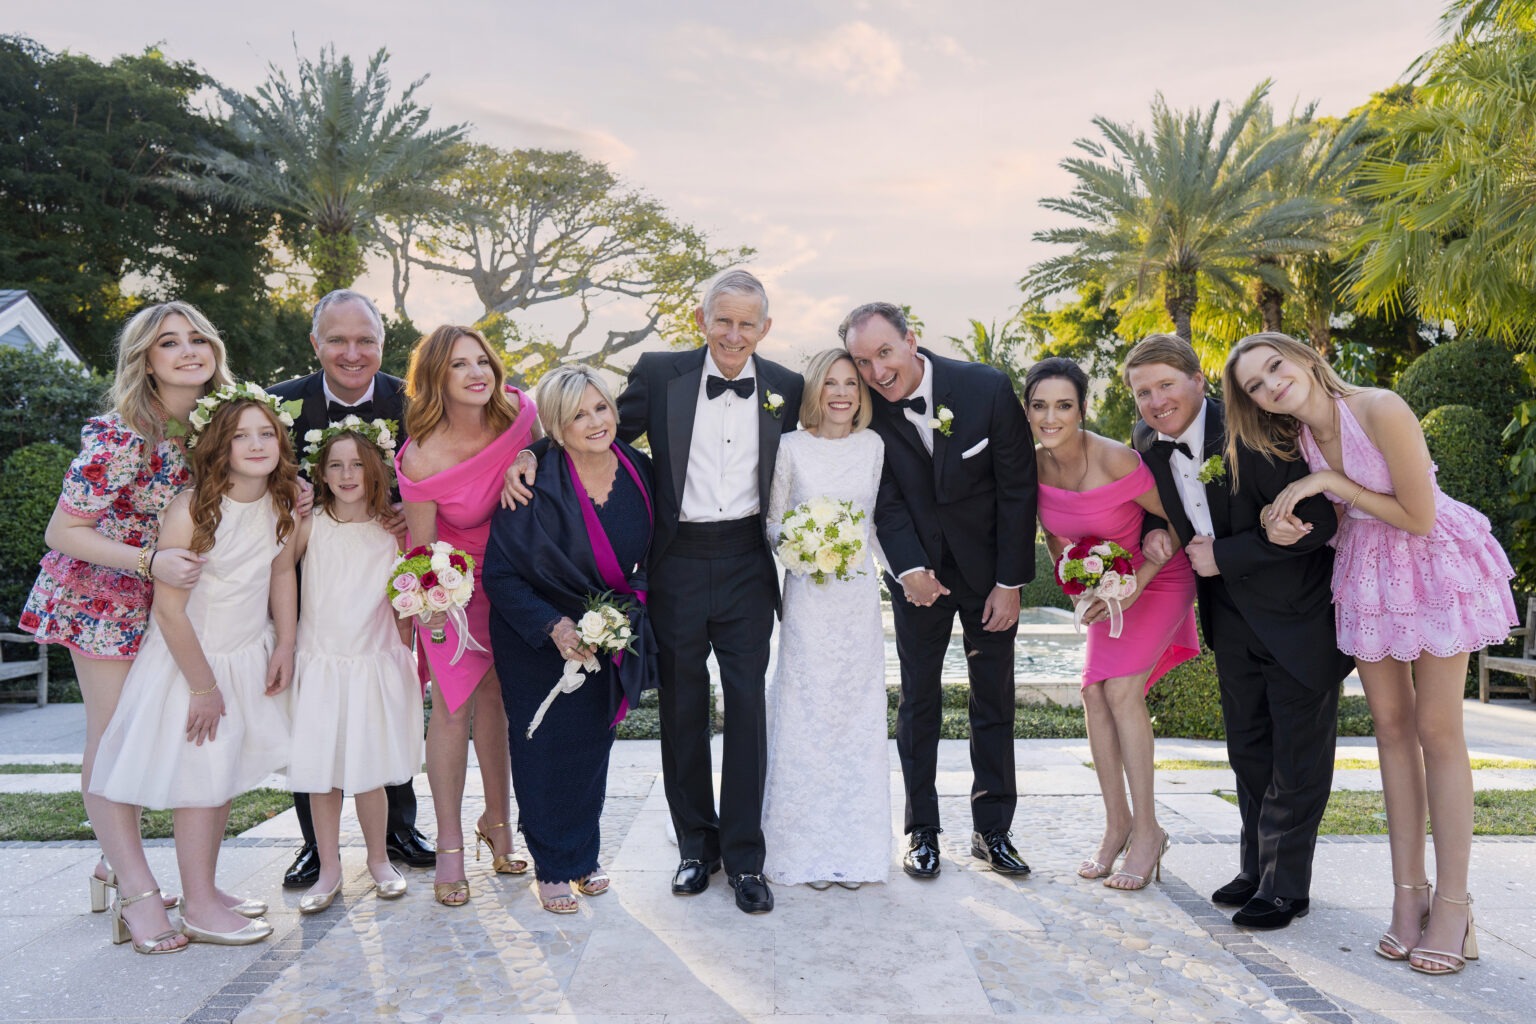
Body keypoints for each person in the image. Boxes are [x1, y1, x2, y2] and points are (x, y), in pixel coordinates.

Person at [504, 269, 803, 914]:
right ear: (702, 319)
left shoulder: (787, 387)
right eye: (722, 319)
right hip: (677, 565)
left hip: (749, 563)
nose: (733, 333)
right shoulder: (661, 373)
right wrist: (527, 452)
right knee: (683, 707)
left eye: (747, 322)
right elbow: (589, 423)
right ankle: (696, 847)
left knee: (748, 706)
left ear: (765, 329)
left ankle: (748, 857)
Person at [1224, 331, 1517, 971]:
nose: (1272, 383)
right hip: (1366, 572)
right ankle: (1407, 898)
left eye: (1275, 365)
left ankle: (1454, 906)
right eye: (1255, 384)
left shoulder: (1379, 407)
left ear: (1302, 356)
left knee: (1436, 727)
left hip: (1431, 564)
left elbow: (1417, 516)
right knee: (1389, 729)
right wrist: (1284, 519)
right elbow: (1323, 520)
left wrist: (1330, 478)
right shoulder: (1289, 441)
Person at [19, 301, 233, 954]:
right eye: (170, 343)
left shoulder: (213, 430)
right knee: (113, 738)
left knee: (150, 733)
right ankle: (137, 893)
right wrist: (147, 559)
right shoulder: (121, 435)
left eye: (198, 337)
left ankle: (113, 862)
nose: (189, 350)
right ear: (147, 361)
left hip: (170, 598)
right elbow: (64, 530)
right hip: (105, 594)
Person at [1126, 333, 1352, 930]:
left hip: (1299, 616)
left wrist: (1226, 556)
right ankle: (1256, 868)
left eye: (1165, 385)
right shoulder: (1147, 442)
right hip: (1228, 619)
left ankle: (1286, 888)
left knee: (1296, 757)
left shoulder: (1253, 423)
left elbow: (1320, 517)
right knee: (1248, 749)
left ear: (1199, 380)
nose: (1155, 401)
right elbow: (1172, 510)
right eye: (1143, 392)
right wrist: (1158, 533)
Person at [90, 385, 301, 946]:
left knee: (221, 779)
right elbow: (169, 610)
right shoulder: (193, 509)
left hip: (244, 653)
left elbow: (281, 573)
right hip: (192, 664)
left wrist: (284, 643)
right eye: (240, 436)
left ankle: (203, 885)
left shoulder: (281, 504)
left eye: (266, 433)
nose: (256, 444)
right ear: (217, 446)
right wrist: (203, 687)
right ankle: (200, 907)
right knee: (200, 785)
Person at [840, 302, 1036, 880]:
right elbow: (885, 499)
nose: (875, 371)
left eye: (884, 353)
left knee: (993, 700)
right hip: (918, 579)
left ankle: (992, 830)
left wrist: (1009, 583)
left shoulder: (986, 389)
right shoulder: (868, 411)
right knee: (918, 701)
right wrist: (910, 571)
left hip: (989, 578)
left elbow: (1017, 489)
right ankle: (921, 830)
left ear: (911, 342)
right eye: (862, 360)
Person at [268, 289, 434, 888]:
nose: (351, 352)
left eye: (365, 340)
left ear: (383, 346)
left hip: (379, 576)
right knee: (318, 718)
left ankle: (398, 831)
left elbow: (440, 471)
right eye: (337, 340)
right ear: (316, 345)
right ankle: (317, 847)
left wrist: (402, 514)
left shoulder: (415, 403)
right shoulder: (280, 408)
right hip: (310, 579)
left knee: (382, 699)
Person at [483, 364, 656, 913]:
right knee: (543, 748)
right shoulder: (532, 480)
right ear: (555, 426)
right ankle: (553, 866)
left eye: (601, 407)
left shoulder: (642, 472)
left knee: (589, 747)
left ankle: (583, 857)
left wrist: (623, 620)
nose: (595, 421)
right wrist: (554, 627)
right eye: (578, 414)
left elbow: (657, 557)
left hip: (608, 631)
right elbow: (500, 574)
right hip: (536, 630)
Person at [1026, 357, 1198, 890]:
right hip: (1108, 588)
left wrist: (1142, 572)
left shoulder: (1117, 460)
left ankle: (1147, 832)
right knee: (1093, 695)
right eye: (1038, 406)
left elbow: (1176, 516)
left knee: (1121, 690)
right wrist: (1077, 581)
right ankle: (1116, 823)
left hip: (1159, 577)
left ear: (1082, 409)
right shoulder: (1031, 465)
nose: (1050, 417)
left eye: (1063, 405)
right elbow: (1056, 539)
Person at [397, 325, 539, 907]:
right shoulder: (422, 455)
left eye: (483, 361)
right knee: (453, 708)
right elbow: (424, 551)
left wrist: (526, 455)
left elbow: (560, 456)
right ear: (437, 378)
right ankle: (451, 842)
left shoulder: (520, 415)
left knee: (499, 704)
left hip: (514, 575)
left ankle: (498, 824)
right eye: (460, 365)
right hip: (452, 582)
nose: (478, 373)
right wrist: (433, 618)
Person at [761, 349, 890, 890]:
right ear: (814, 390)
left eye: (851, 384)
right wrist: (804, 546)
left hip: (857, 600)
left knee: (854, 717)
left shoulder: (873, 446)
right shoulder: (790, 447)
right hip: (809, 599)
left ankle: (853, 848)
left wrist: (906, 575)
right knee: (806, 712)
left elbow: (878, 524)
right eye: (831, 383)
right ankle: (801, 846)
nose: (842, 393)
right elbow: (772, 522)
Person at [286, 422, 423, 913]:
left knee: (370, 770)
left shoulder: (392, 527)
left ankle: (378, 860)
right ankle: (328, 869)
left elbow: (407, 591)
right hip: (320, 661)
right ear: (320, 473)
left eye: (357, 464)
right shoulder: (311, 523)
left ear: (376, 470)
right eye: (336, 465)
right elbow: (282, 573)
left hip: (373, 660)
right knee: (323, 774)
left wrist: (408, 642)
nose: (347, 474)